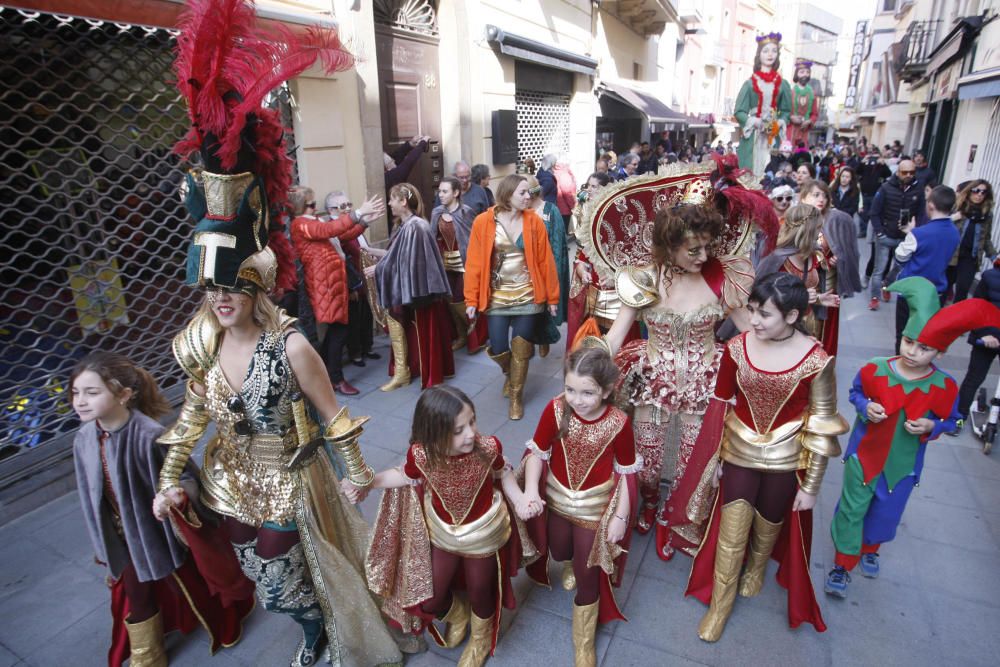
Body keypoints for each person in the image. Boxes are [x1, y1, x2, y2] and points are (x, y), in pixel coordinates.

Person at [160, 6, 413, 663]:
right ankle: (308, 619)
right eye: (211, 291)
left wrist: (357, 475)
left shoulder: (292, 343)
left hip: (291, 478)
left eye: (232, 290)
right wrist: (166, 478)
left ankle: (319, 633)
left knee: (279, 577)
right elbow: (190, 416)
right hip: (228, 480)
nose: (219, 302)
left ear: (257, 285)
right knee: (263, 581)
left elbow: (334, 415)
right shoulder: (199, 344)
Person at [599, 171, 761, 560]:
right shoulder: (644, 279)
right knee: (649, 460)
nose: (703, 257)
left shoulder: (722, 278)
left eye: (707, 247)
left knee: (695, 461)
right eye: (693, 250)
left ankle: (683, 518)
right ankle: (651, 502)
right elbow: (616, 336)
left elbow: (746, 335)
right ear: (668, 246)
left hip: (705, 383)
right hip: (652, 381)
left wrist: (781, 355)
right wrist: (585, 370)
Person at [686, 272, 848, 642]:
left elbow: (823, 425)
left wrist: (811, 486)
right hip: (740, 451)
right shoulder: (737, 348)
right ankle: (719, 606)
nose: (754, 320)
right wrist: (715, 460)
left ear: (792, 316)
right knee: (731, 528)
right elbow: (720, 406)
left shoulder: (816, 359)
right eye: (752, 310)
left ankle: (757, 569)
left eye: (765, 314)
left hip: (787, 458)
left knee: (769, 523)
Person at [72, 352, 252, 667]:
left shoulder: (149, 434)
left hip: (157, 533)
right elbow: (90, 495)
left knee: (191, 582)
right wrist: (101, 541)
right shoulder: (84, 438)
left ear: (124, 395)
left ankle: (161, 650)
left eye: (91, 392)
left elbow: (186, 476)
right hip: (121, 536)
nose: (80, 401)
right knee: (136, 594)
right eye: (76, 392)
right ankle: (148, 654)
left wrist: (174, 495)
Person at [825, 277, 997, 597]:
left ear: (940, 354)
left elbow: (954, 422)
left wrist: (934, 428)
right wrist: (866, 406)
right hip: (863, 459)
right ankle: (841, 564)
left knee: (884, 514)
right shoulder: (875, 369)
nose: (913, 352)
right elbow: (855, 393)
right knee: (851, 511)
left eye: (924, 348)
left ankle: (871, 548)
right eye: (908, 342)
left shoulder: (944, 387)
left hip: (902, 468)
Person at [364, 386, 533, 667]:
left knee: (481, 588)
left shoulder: (488, 447)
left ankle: (480, 639)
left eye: (472, 421)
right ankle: (458, 613)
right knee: (429, 597)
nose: (470, 433)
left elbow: (503, 472)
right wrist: (369, 482)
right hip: (444, 535)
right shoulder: (421, 455)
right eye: (458, 430)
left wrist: (520, 500)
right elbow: (404, 476)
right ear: (433, 432)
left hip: (482, 536)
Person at [521, 347, 640, 666]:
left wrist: (620, 516)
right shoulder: (556, 409)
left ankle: (584, 643)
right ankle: (570, 562)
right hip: (557, 500)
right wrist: (531, 489)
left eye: (587, 392)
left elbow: (627, 471)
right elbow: (538, 451)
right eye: (570, 389)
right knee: (559, 552)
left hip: (594, 509)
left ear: (607, 390)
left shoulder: (618, 423)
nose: (577, 399)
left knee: (588, 579)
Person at [465, 174, 560, 420]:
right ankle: (511, 376)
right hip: (496, 296)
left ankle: (516, 396)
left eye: (529, 192)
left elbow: (545, 261)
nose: (529, 197)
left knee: (521, 348)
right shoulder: (483, 222)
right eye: (523, 193)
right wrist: (471, 300)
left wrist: (551, 298)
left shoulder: (534, 222)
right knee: (498, 346)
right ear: (507, 195)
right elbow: (474, 263)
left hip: (528, 296)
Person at [289, 186, 383, 395]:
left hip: (332, 284)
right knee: (338, 331)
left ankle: (322, 373)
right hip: (326, 286)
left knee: (335, 331)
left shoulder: (311, 222)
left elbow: (342, 235)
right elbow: (329, 231)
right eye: (311, 205)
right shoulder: (300, 224)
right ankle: (336, 379)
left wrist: (364, 221)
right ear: (300, 207)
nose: (315, 208)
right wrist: (358, 213)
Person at [375, 183, 455, 390]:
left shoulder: (417, 226)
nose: (390, 203)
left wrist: (378, 269)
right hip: (405, 289)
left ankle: (408, 372)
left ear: (403, 201)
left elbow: (410, 263)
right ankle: (403, 371)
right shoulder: (403, 225)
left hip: (418, 292)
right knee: (397, 325)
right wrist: (373, 256)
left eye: (393, 199)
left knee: (415, 330)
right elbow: (397, 257)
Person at [756, 203, 841, 353]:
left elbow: (806, 292)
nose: (820, 233)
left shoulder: (813, 255)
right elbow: (761, 299)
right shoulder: (776, 259)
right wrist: (801, 298)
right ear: (807, 231)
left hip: (807, 327)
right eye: (817, 228)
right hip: (780, 332)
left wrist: (819, 298)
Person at [893, 185, 961, 353]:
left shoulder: (919, 234)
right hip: (935, 291)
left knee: (904, 334)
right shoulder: (954, 232)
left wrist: (910, 234)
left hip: (912, 290)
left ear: (930, 205)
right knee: (923, 334)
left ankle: (900, 366)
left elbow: (900, 257)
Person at [799, 179, 863, 354]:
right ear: (803, 197)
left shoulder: (836, 220)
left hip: (827, 282)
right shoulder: (796, 218)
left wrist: (838, 258)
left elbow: (849, 252)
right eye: (816, 195)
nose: (822, 199)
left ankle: (821, 364)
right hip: (801, 281)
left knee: (824, 325)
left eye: (825, 195)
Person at [430, 177, 487, 354]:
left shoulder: (466, 212)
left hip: (465, 264)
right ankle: (462, 336)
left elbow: (475, 238)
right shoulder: (436, 213)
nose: (440, 195)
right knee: (450, 301)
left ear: (455, 193)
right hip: (445, 264)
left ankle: (476, 338)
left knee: (463, 301)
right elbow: (432, 238)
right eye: (439, 191)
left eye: (444, 191)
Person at [329, 191, 383, 369]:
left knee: (367, 314)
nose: (348, 209)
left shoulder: (354, 224)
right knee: (354, 319)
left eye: (349, 204)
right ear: (332, 210)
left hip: (365, 276)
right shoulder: (334, 228)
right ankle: (356, 353)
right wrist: (351, 287)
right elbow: (343, 259)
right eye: (342, 206)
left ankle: (367, 347)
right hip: (352, 282)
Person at [867, 158, 925, 310]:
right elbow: (874, 212)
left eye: (912, 172)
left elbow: (921, 213)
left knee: (898, 267)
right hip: (886, 235)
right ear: (898, 172)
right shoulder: (886, 188)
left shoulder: (918, 189)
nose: (908, 175)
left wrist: (916, 231)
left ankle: (887, 286)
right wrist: (879, 233)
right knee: (879, 268)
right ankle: (874, 298)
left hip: (905, 237)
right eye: (905, 172)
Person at [952, 261, 1000, 433]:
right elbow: (977, 308)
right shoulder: (990, 277)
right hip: (987, 337)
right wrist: (983, 333)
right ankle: (958, 422)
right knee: (974, 379)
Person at [524, 174, 569, 357]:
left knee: (543, 308)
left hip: (545, 268)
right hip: (525, 270)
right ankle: (528, 340)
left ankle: (544, 338)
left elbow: (558, 245)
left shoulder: (550, 211)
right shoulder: (519, 213)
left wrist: (555, 274)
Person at [734, 32, 791, 175]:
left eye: (774, 51)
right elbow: (739, 111)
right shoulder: (749, 84)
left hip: (772, 134)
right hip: (753, 133)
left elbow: (786, 111)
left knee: (771, 171)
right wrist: (755, 121)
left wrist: (779, 123)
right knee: (749, 172)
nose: (770, 54)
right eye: (765, 51)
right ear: (759, 54)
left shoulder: (783, 84)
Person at [947, 180, 995, 302]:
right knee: (943, 290)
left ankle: (956, 320)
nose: (979, 195)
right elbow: (939, 226)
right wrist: (951, 219)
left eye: (983, 192)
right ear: (969, 192)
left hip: (970, 259)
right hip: (951, 255)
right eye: (976, 191)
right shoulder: (957, 207)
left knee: (962, 292)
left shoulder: (987, 215)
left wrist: (994, 256)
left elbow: (986, 239)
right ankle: (934, 319)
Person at [787, 59, 819, 148]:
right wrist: (791, 117)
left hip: (804, 131)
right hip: (791, 130)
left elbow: (815, 114)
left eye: (807, 72)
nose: (805, 74)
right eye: (802, 72)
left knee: (802, 155)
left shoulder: (812, 93)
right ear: (796, 74)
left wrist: (809, 121)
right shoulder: (790, 92)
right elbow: (783, 111)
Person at [831, 166, 861, 236]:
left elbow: (854, 208)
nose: (844, 179)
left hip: (846, 222)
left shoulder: (855, 191)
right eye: (843, 176)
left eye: (847, 177)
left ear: (851, 179)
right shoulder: (833, 189)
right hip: (832, 222)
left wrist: (839, 212)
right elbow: (829, 204)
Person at [554, 156, 578, 232]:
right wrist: (573, 206)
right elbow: (567, 192)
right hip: (564, 209)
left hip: (558, 206)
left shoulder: (556, 171)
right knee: (564, 231)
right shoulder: (564, 174)